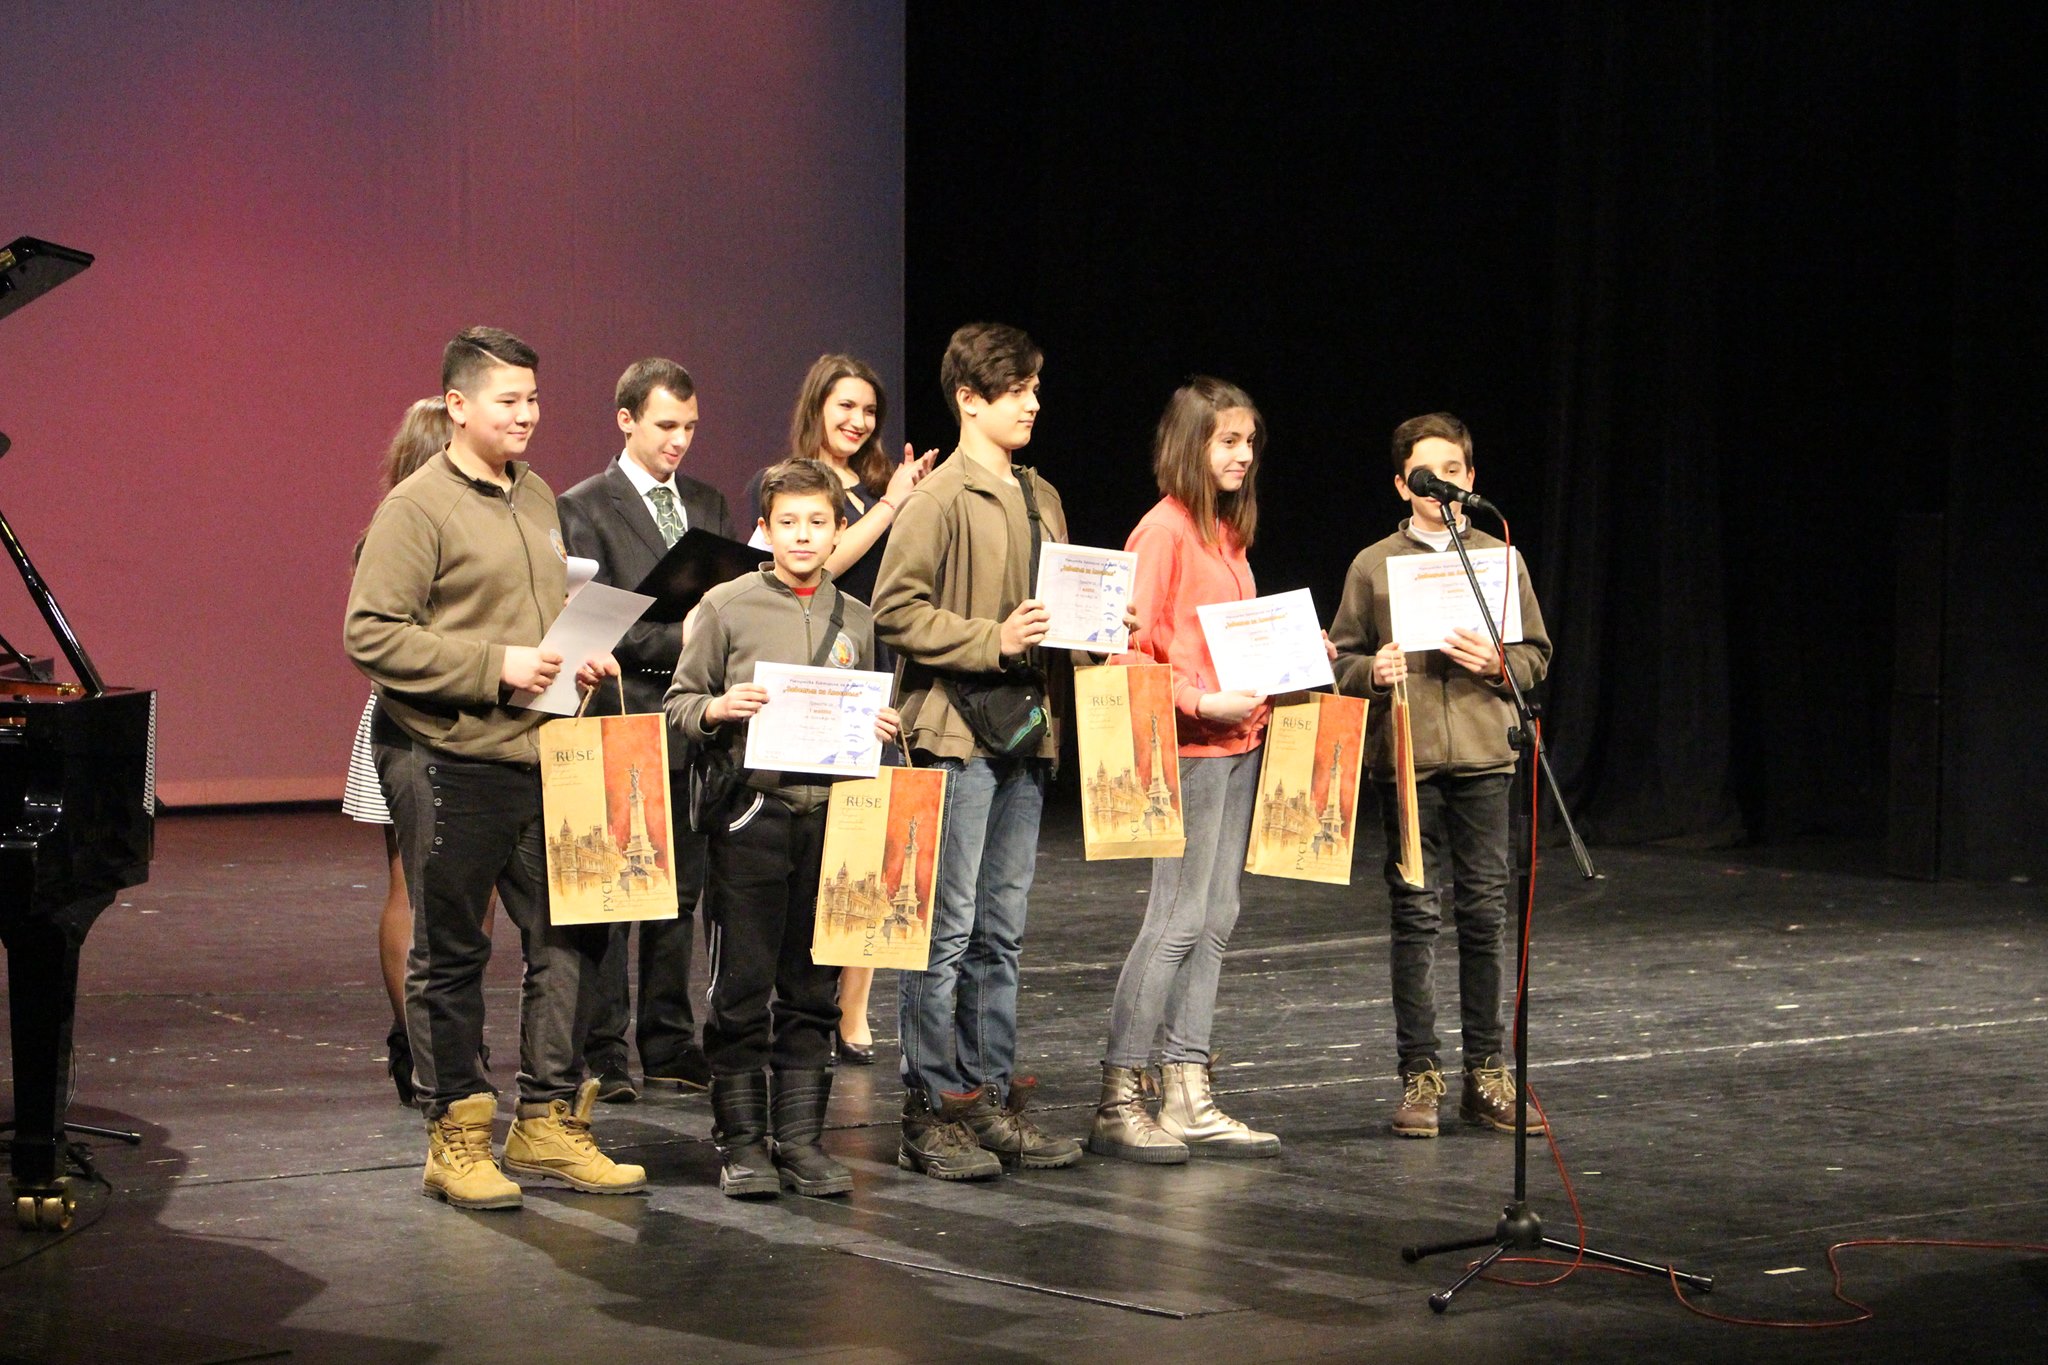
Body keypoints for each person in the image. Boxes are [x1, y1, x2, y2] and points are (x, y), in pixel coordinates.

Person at [346, 325, 642, 1209]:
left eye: (534, 399)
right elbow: (371, 633)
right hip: (446, 752)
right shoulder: (418, 507)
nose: (527, 415)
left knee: (571, 931)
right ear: (458, 405)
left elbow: (536, 611)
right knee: (451, 947)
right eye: (509, 400)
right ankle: (458, 1132)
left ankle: (546, 1118)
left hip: (538, 748)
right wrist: (495, 665)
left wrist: (578, 651)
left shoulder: (536, 493)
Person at [872, 322, 1082, 1180]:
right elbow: (895, 609)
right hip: (955, 731)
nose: (1032, 403)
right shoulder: (938, 497)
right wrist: (990, 638)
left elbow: (1059, 606)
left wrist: (1100, 625)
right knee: (945, 929)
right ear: (969, 398)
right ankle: (930, 1107)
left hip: (1026, 731)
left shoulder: (1043, 495)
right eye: (1016, 389)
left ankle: (988, 1096)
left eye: (1035, 387)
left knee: (1002, 929)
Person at [662, 458, 900, 1198]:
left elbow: (863, 708)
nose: (802, 536)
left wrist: (880, 725)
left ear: (837, 529)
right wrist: (717, 708)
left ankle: (799, 1140)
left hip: (829, 821)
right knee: (741, 987)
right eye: (788, 522)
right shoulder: (727, 605)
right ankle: (741, 1143)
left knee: (812, 989)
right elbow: (678, 702)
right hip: (751, 815)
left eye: (817, 522)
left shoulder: (856, 619)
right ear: (765, 528)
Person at [1328, 412, 1552, 1139]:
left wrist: (1499, 662)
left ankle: (1488, 1072)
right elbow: (1340, 657)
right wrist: (1371, 670)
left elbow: (1536, 654)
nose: (1440, 485)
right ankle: (1420, 1074)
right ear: (1402, 484)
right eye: (1426, 475)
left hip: (1487, 753)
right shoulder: (1373, 564)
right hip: (1408, 757)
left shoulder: (1499, 556)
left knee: (1485, 913)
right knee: (1417, 913)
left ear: (1470, 477)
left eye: (1453, 472)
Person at [1091, 377, 1294, 1162]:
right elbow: (1128, 651)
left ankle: (1185, 1088)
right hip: (1185, 748)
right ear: (1191, 444)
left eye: (1249, 441)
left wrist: (1291, 662)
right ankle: (1119, 1095)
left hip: (1239, 745)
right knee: (1175, 918)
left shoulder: (1227, 534)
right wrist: (1200, 700)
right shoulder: (1162, 532)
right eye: (1227, 440)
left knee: (1217, 916)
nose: (1243, 454)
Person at [744, 354, 935, 1067]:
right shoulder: (789, 489)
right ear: (817, 407)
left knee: (867, 843)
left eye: (868, 410)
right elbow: (818, 564)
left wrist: (907, 501)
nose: (857, 421)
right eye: (844, 406)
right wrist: (892, 507)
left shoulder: (886, 489)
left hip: (871, 668)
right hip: (807, 678)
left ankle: (852, 1009)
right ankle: (796, 1000)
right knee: (809, 849)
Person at [557, 357, 736, 1101]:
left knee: (679, 895)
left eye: (689, 426)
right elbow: (593, 620)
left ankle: (668, 1041)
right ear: (626, 420)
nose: (679, 440)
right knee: (616, 891)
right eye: (666, 425)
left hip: (693, 721)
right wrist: (681, 635)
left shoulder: (707, 501)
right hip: (622, 711)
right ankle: (604, 1049)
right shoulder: (584, 506)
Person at [344, 397, 455, 1107]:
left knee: (468, 892)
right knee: (409, 887)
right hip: (407, 720)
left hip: (476, 719)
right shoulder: (398, 530)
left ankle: (449, 1037)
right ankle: (414, 1041)